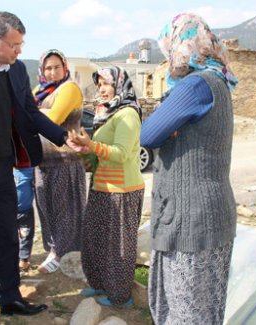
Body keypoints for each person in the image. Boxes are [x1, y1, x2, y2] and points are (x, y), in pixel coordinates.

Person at [0, 11, 67, 316]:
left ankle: (9, 297)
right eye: (14, 45)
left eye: (21, 45)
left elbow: (30, 113)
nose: (20, 51)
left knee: (7, 234)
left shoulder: (18, 70)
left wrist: (62, 136)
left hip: (5, 168)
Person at [140, 13, 239, 324]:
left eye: (169, 47)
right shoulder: (219, 80)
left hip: (191, 221)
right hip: (213, 215)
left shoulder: (195, 85)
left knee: (186, 313)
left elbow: (148, 134)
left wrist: (167, 125)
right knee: (206, 309)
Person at [68, 66, 144, 307]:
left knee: (118, 247)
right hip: (101, 187)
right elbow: (100, 155)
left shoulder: (128, 114)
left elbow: (121, 154)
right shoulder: (106, 114)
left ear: (120, 85)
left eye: (107, 84)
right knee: (96, 240)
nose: (101, 89)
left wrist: (91, 145)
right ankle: (100, 285)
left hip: (123, 191)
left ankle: (121, 297)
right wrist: (85, 152)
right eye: (99, 84)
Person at [32, 49, 86, 274]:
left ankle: (63, 253)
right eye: (48, 68)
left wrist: (31, 113)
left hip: (66, 160)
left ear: (65, 68)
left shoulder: (69, 88)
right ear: (41, 71)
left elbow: (55, 118)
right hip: (42, 160)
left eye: (56, 67)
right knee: (46, 208)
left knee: (65, 209)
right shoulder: (39, 92)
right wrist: (32, 112)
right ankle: (54, 249)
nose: (52, 72)